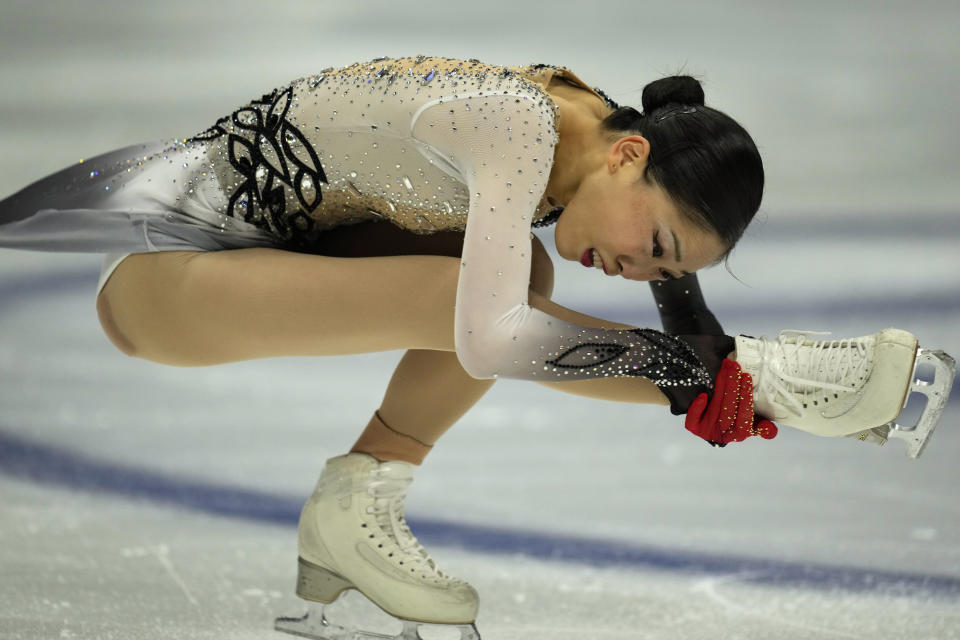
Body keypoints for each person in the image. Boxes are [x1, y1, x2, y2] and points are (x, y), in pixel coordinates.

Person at [0, 55, 952, 640]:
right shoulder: (513, 124)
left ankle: (355, 503)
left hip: (258, 262)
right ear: (630, 159)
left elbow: (671, 321)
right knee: (482, 299)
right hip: (160, 284)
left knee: (516, 279)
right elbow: (492, 342)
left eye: (659, 265)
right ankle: (355, 500)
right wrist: (761, 381)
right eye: (652, 245)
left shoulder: (605, 139)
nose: (636, 269)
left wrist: (716, 371)